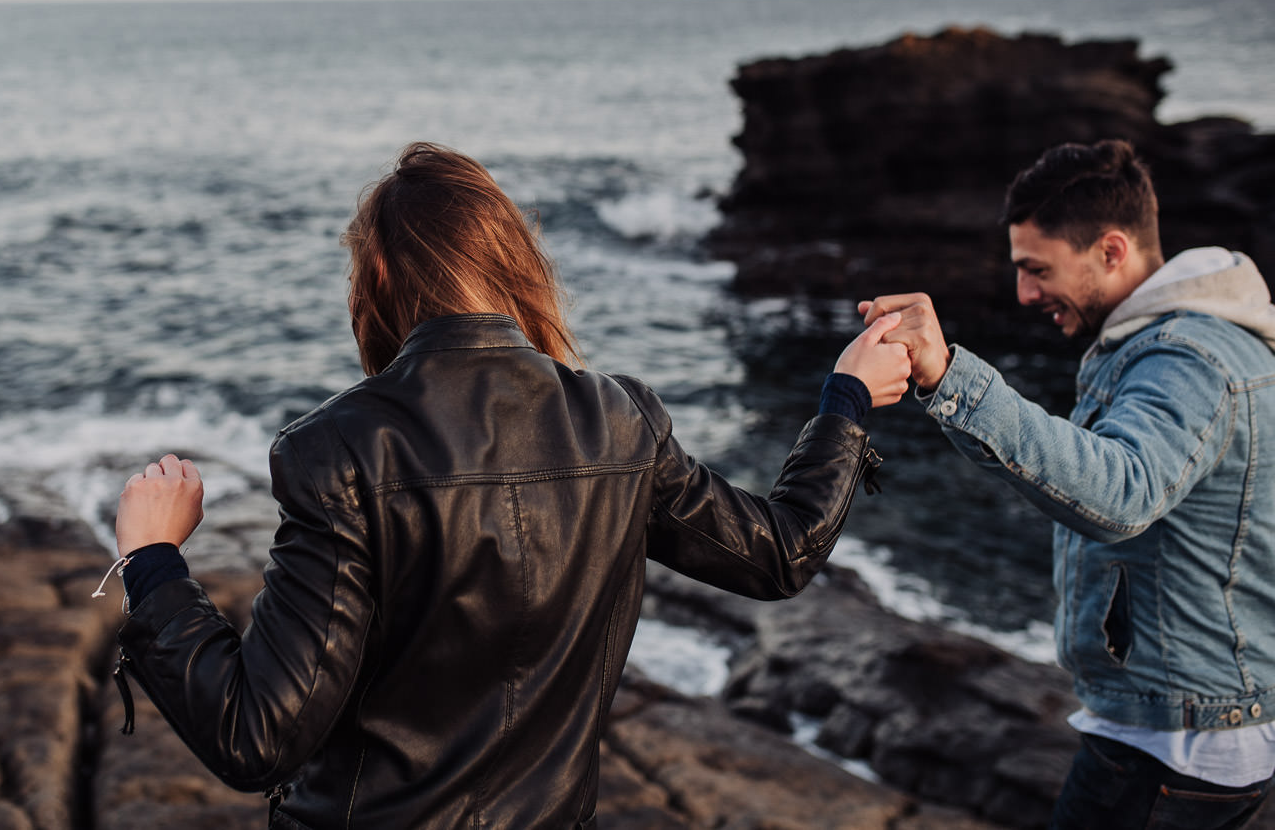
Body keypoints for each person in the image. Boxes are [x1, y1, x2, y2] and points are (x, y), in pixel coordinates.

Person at [110, 142, 911, 829]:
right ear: (507, 258)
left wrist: (153, 561)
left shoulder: (338, 449)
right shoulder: (621, 420)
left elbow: (257, 737)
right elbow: (781, 552)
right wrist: (845, 400)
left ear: (380, 270)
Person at [861, 139, 1275, 829]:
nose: (1023, 293)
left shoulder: (1187, 359)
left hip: (1174, 747)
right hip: (1179, 726)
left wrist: (949, 377)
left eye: (1036, 269)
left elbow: (1122, 492)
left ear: (1112, 250)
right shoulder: (1199, 340)